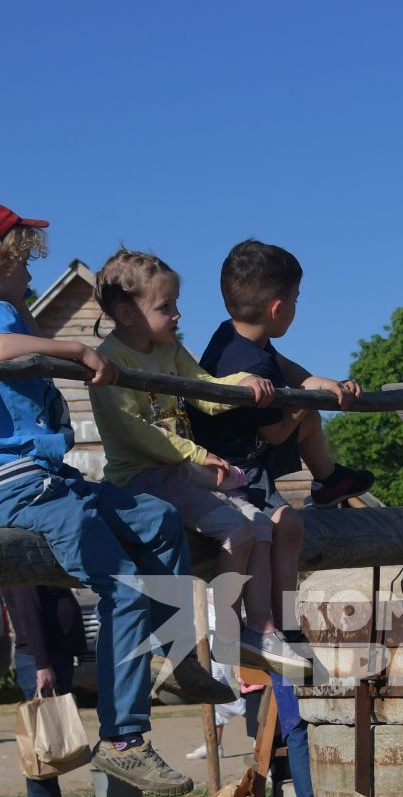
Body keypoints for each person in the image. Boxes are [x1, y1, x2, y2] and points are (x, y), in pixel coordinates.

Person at [0, 197, 232, 797]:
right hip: (22, 487)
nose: (32, 275)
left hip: (54, 480)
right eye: (24, 263)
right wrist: (75, 349)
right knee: (120, 585)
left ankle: (174, 659)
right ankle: (123, 739)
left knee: (157, 518)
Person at [86, 248, 310, 681]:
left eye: (175, 304)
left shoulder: (169, 350)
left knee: (260, 523)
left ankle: (259, 626)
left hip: (180, 471)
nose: (177, 315)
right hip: (142, 476)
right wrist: (196, 454)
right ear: (126, 313)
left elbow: (204, 391)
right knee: (236, 528)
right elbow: (136, 431)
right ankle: (227, 630)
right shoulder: (112, 362)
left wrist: (240, 384)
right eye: (164, 306)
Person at [193, 238, 372, 522]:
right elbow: (276, 433)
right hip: (236, 466)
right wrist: (307, 397)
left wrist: (319, 382)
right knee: (306, 413)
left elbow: (284, 364)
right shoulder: (254, 365)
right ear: (277, 309)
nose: (297, 305)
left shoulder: (231, 334)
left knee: (308, 415)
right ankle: (326, 483)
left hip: (235, 445)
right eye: (296, 298)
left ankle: (328, 481)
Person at [3, 585, 95, 797]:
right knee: (40, 744)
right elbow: (28, 612)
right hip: (39, 661)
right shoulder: (21, 567)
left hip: (52, 657)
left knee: (50, 740)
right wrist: (42, 663)